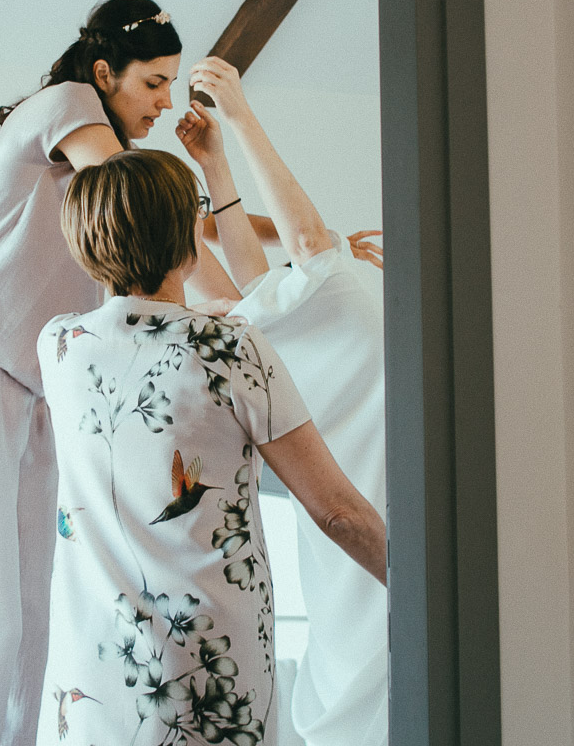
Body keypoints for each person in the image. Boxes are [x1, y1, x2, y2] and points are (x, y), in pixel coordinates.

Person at [0, 0, 236, 746]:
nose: (165, 102)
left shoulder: (107, 147)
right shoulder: (64, 104)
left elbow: (181, 220)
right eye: (154, 84)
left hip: (38, 380)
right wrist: (231, 301)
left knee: (36, 609)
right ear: (105, 73)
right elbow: (141, 204)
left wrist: (291, 246)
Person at [35, 148, 385, 746]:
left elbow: (140, 335)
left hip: (98, 667)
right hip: (211, 669)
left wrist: (200, 314)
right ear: (186, 237)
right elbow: (337, 512)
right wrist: (429, 594)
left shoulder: (60, 344)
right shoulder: (231, 349)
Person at [175, 56, 389, 746]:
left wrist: (216, 167)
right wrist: (238, 117)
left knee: (362, 661)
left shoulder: (254, 328)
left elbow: (260, 269)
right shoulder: (272, 321)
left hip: (364, 513)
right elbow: (296, 248)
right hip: (360, 520)